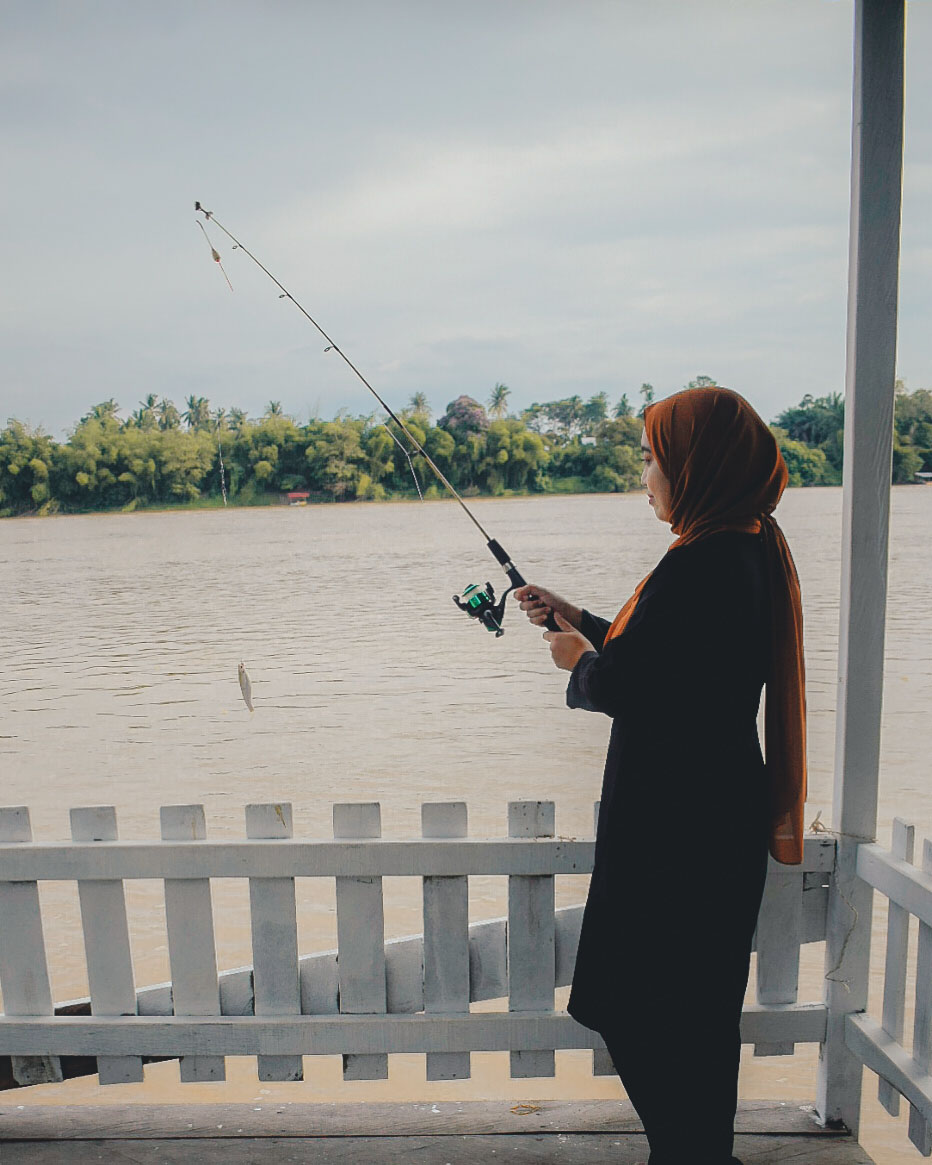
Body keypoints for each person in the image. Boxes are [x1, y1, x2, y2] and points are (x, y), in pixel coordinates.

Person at [514, 386, 806, 1165]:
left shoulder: (704, 563)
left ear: (696, 466)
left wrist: (579, 663)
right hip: (712, 812)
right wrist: (580, 616)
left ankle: (689, 1154)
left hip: (677, 826)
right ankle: (699, 1153)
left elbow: (637, 687)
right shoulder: (738, 547)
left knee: (640, 1007)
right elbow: (672, 661)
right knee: (695, 1011)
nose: (644, 473)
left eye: (652, 458)